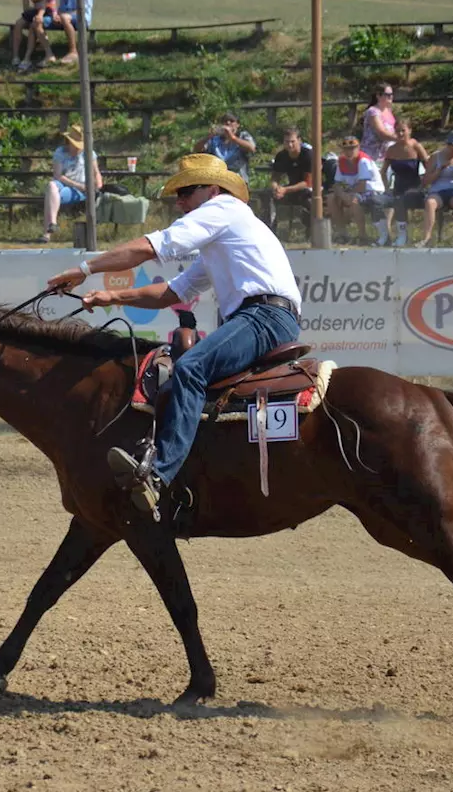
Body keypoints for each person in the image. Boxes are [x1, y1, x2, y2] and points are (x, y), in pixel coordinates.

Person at [44, 153, 301, 516]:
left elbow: (151, 247)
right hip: (264, 315)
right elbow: (171, 292)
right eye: (177, 194)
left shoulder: (223, 209)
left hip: (263, 316)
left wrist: (85, 268)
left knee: (190, 368)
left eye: (186, 191)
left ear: (212, 190)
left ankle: (159, 474)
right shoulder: (222, 234)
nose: (179, 201)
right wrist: (112, 296)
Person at [42, 123, 100, 243]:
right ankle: (53, 223)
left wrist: (98, 185)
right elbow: (58, 175)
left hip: (83, 188)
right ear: (68, 142)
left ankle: (47, 232)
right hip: (66, 185)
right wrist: (76, 185)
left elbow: (96, 173)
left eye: (79, 146)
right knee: (51, 186)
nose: (76, 148)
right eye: (74, 145)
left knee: (49, 196)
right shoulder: (60, 152)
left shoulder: (89, 153)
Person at [327, 135, 389, 245]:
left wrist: (347, 195)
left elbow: (362, 185)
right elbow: (336, 184)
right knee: (331, 199)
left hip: (372, 191)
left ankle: (362, 235)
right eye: (346, 149)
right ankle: (342, 233)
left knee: (354, 200)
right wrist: (342, 195)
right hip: (353, 190)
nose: (349, 151)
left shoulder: (363, 161)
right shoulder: (341, 161)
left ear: (358, 147)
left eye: (352, 148)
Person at [417, 130, 453, 247]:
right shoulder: (436, 156)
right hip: (437, 190)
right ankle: (427, 238)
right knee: (430, 203)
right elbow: (426, 181)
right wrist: (439, 170)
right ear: (449, 144)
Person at [382, 117, 428, 246]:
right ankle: (389, 235)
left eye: (403, 130)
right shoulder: (391, 150)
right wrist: (386, 188)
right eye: (397, 131)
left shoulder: (416, 146)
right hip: (398, 186)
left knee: (400, 200)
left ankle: (403, 236)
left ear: (410, 131)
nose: (400, 134)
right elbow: (383, 171)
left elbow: (429, 166)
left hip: (415, 187)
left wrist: (424, 185)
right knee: (381, 201)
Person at [268, 127, 313, 238]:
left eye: (292, 141)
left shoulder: (308, 155)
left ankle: (310, 232)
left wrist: (285, 190)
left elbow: (308, 182)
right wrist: (276, 188)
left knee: (310, 200)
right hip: (290, 189)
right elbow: (275, 177)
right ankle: (271, 230)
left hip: (311, 189)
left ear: (299, 141)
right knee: (268, 197)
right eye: (287, 142)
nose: (290, 145)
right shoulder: (281, 156)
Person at [193, 112, 257, 183]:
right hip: (218, 179)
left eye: (232, 121)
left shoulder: (243, 135)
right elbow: (197, 149)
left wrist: (233, 138)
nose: (228, 123)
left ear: (237, 124)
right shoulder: (214, 139)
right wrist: (208, 136)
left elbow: (252, 148)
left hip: (238, 179)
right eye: (225, 121)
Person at [360, 82, 396, 165]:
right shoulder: (373, 112)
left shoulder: (389, 110)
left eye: (392, 94)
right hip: (372, 156)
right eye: (387, 94)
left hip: (386, 155)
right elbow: (382, 133)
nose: (390, 96)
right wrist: (400, 138)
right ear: (378, 96)